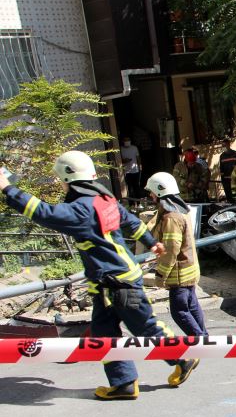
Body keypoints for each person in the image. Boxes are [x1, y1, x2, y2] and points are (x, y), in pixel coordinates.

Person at [0, 151, 199, 400]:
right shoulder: (104, 199)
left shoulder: (81, 209)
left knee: (144, 326)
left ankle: (183, 356)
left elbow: (43, 213)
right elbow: (130, 221)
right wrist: (150, 242)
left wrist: (8, 188)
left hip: (118, 282)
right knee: (104, 334)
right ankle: (124, 383)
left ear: (68, 178)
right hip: (107, 284)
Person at [145, 172, 207, 337]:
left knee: (179, 311)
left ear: (159, 193)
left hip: (179, 274)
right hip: (189, 271)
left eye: (151, 192)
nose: (150, 195)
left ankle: (200, 340)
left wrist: (161, 274)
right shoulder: (179, 210)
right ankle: (204, 337)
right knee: (192, 306)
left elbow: (171, 249)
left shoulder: (171, 218)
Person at [120, 137, 141, 203]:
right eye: (125, 140)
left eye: (128, 140)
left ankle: (138, 202)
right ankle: (131, 203)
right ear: (123, 141)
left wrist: (140, 166)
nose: (127, 141)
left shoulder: (134, 148)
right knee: (129, 188)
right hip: (126, 171)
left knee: (136, 187)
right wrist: (123, 161)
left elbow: (138, 158)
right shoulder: (120, 149)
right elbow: (118, 159)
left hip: (135, 170)